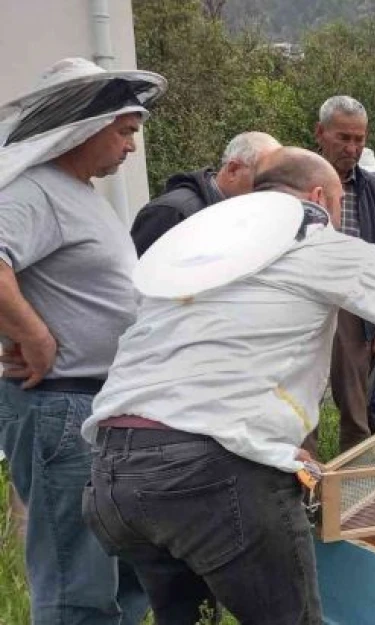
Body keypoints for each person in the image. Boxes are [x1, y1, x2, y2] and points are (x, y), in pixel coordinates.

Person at [81, 147, 375, 625]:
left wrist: (274, 443)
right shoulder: (315, 243)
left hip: (114, 471)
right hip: (209, 475)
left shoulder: (204, 246)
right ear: (320, 197)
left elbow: (200, 363)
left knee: (187, 618)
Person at [0, 57, 165, 625]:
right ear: (83, 126)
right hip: (60, 406)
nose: (130, 147)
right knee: (77, 584)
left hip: (96, 407)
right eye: (125, 132)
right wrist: (35, 335)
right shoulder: (33, 193)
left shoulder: (78, 193)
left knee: (124, 571)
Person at [312, 95, 375, 454]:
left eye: (359, 139)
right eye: (343, 138)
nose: (352, 147)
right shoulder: (294, 180)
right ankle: (301, 497)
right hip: (305, 304)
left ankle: (354, 496)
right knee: (300, 410)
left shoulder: (372, 188)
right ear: (320, 133)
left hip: (354, 308)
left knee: (356, 411)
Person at [130, 131, 281, 256]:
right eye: (265, 177)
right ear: (233, 170)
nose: (273, 188)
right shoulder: (171, 213)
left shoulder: (249, 217)